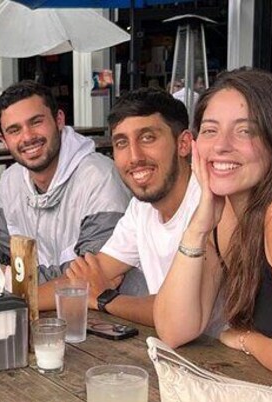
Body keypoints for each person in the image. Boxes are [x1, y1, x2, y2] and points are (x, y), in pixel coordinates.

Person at [155, 68, 272, 384]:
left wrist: (245, 340)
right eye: (210, 130)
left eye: (245, 131)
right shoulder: (222, 212)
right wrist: (197, 229)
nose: (221, 146)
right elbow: (174, 329)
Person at [0, 80, 130, 311]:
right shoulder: (11, 180)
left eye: (36, 122)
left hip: (104, 320)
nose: (28, 137)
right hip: (38, 313)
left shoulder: (101, 178)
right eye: (14, 130)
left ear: (59, 120)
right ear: (3, 140)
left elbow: (93, 275)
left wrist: (5, 277)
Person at [65, 88, 200, 327]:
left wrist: (106, 299)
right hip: (168, 345)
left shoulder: (208, 203)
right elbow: (91, 277)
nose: (134, 156)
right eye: (121, 143)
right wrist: (20, 297)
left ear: (183, 144)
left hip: (216, 349)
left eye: (147, 138)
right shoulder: (141, 207)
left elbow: (180, 310)